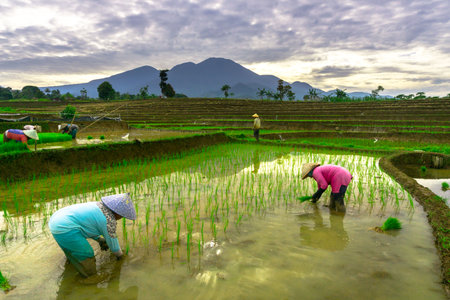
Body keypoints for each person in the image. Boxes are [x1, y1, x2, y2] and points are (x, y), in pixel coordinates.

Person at [49, 193, 136, 277]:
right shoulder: (109, 221)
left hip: (56, 221)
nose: (121, 218)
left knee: (72, 252)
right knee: (86, 254)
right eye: (122, 216)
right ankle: (90, 277)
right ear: (118, 213)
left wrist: (99, 239)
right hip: (64, 227)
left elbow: (87, 227)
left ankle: (71, 269)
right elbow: (114, 247)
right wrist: (121, 257)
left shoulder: (98, 205)